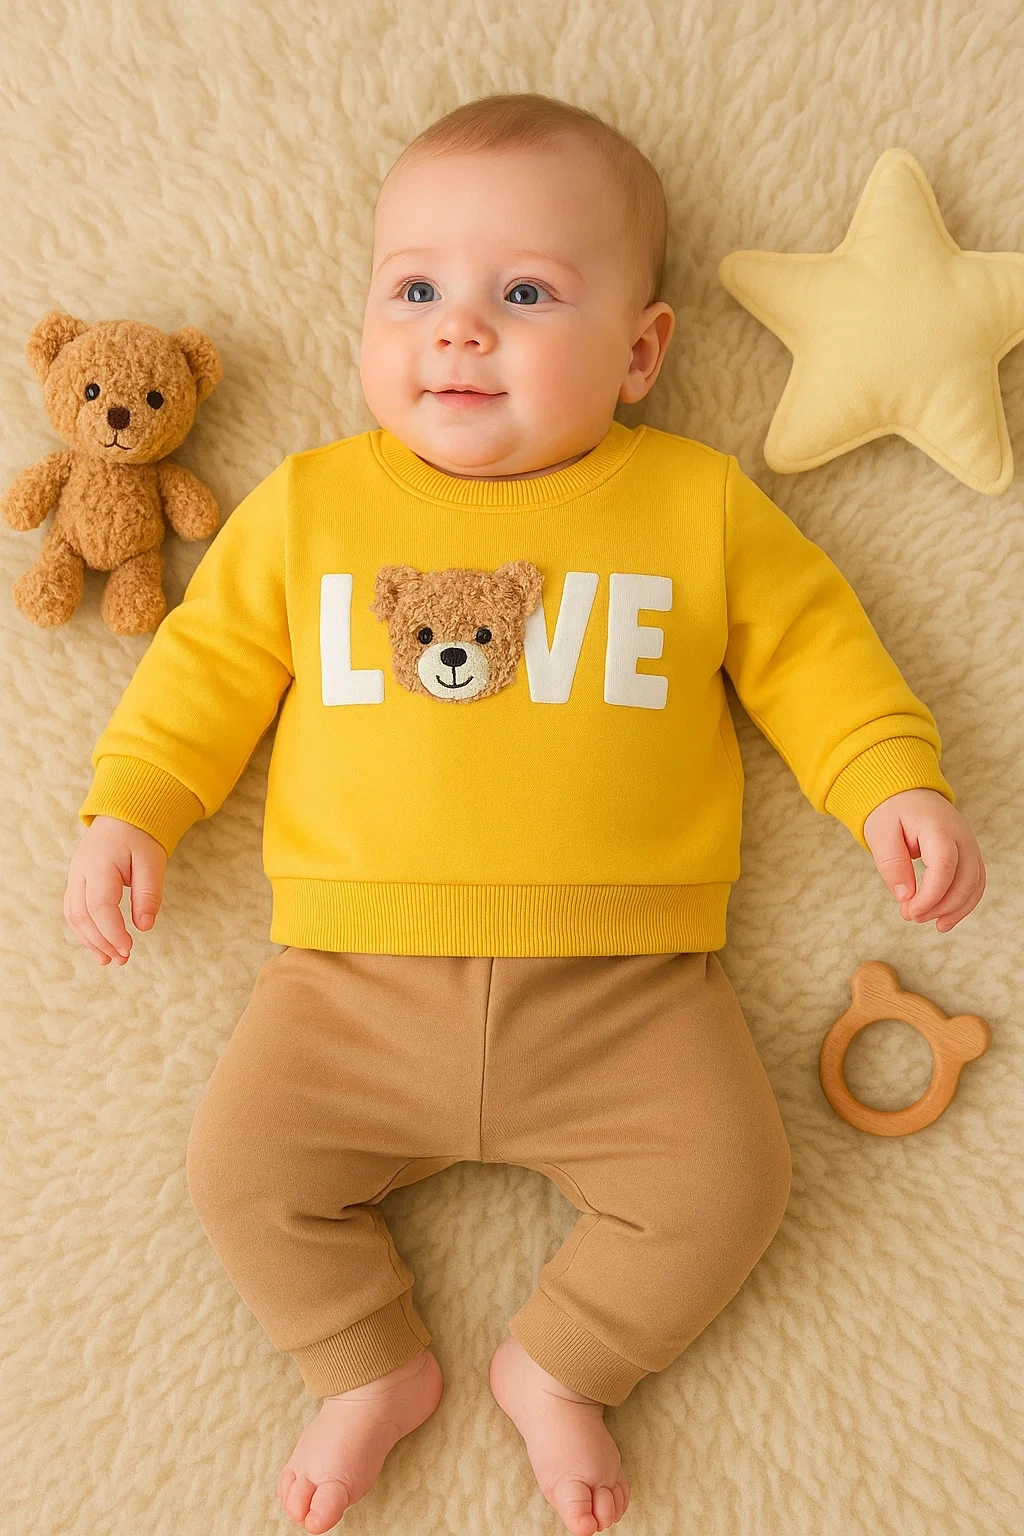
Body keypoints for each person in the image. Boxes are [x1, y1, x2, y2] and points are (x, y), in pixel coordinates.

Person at [64, 92, 986, 1536]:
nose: (459, 332)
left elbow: (816, 653)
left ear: (642, 352)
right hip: (347, 991)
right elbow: (203, 673)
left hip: (632, 995)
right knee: (240, 1175)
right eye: (414, 290)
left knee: (731, 1190)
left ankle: (561, 1364)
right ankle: (365, 1363)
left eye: (526, 295)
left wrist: (890, 779)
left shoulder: (695, 503)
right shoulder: (309, 510)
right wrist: (134, 807)